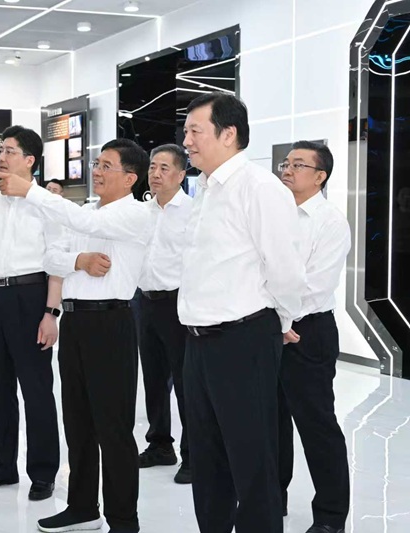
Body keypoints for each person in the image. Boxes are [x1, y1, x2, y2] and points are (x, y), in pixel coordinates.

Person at [0, 138, 150, 533]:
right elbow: (51, 258)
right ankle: (82, 507)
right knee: (78, 422)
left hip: (111, 323)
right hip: (76, 323)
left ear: (130, 178)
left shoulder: (135, 214)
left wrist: (31, 191)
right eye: (97, 164)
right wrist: (79, 260)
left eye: (107, 166)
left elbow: (87, 226)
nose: (96, 171)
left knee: (113, 427)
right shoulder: (86, 212)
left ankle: (123, 520)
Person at [178, 92, 305, 532]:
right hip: (198, 342)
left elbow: (285, 269)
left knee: (252, 459)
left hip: (243, 340)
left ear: (228, 134)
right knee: (207, 459)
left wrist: (281, 322)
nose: (186, 140)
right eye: (186, 131)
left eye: (195, 131)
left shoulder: (259, 188)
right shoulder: (205, 190)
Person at [0, 125, 63, 501]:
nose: (2, 157)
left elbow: (57, 263)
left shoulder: (46, 204)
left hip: (30, 297)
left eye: (9, 151)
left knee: (37, 389)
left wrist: (51, 312)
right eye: (0, 151)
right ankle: (3, 465)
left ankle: (43, 472)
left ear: (29, 160)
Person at [277, 141, 350, 533]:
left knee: (316, 424)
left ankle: (330, 516)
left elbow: (314, 286)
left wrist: (280, 320)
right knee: (271, 422)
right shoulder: (275, 214)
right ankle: (273, 499)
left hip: (308, 331)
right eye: (286, 163)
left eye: (298, 165)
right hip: (271, 328)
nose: (287, 170)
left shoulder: (330, 222)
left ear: (320, 176)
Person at [132, 144, 193, 484]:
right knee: (153, 379)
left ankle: (193, 454)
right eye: (153, 167)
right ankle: (159, 445)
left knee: (186, 382)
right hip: (145, 301)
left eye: (164, 168)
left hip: (178, 305)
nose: (155, 174)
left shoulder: (193, 212)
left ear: (181, 174)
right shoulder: (143, 211)